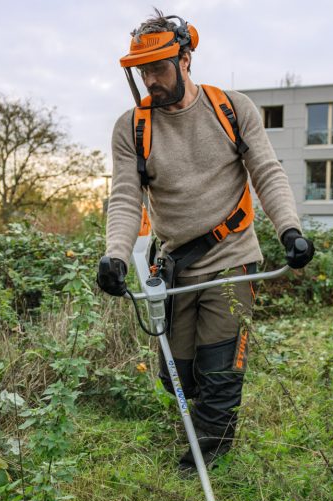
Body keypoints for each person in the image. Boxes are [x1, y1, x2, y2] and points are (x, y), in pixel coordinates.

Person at [96, 10, 314, 471]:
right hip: (174, 263)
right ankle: (200, 424)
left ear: (186, 58)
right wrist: (115, 255)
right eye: (142, 71)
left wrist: (289, 229)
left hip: (232, 254)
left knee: (219, 369)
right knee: (179, 376)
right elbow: (124, 197)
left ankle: (205, 460)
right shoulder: (132, 128)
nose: (150, 79)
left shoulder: (232, 109)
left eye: (158, 68)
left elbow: (267, 174)